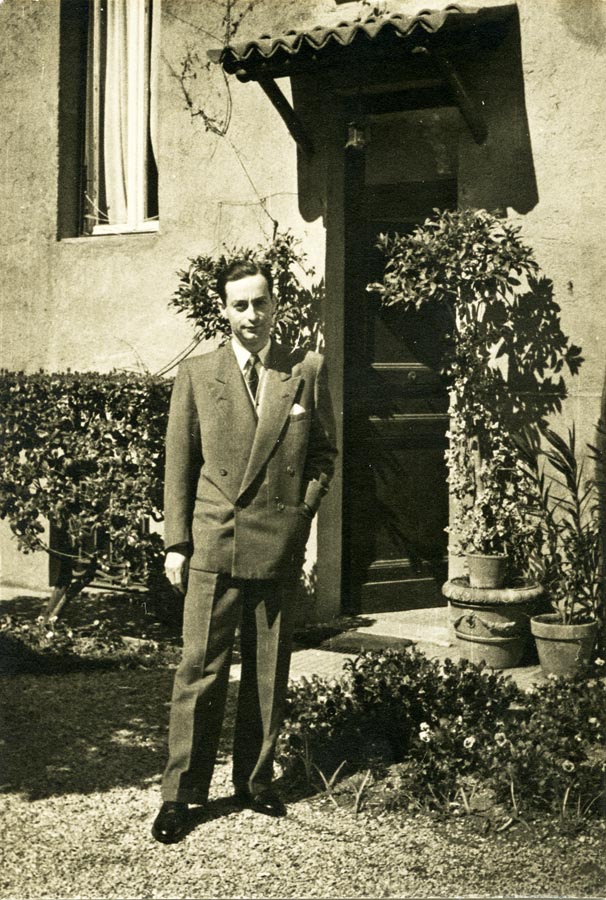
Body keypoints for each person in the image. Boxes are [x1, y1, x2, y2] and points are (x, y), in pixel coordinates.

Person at [152, 258, 337, 843]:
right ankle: (181, 795)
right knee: (199, 672)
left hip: (275, 545)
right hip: (215, 541)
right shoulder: (198, 374)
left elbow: (323, 457)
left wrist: (299, 518)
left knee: (267, 669)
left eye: (260, 303)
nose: (251, 316)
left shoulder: (304, 370)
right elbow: (178, 467)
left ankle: (255, 782)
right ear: (224, 310)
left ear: (275, 303)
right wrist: (177, 544)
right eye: (239, 305)